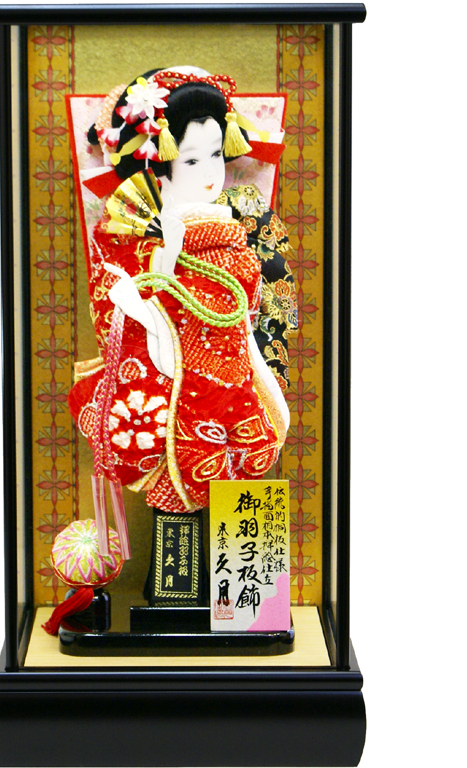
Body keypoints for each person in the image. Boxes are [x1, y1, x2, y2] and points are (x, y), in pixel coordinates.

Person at [68, 68, 297, 532]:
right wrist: (164, 265)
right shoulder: (133, 236)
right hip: (171, 392)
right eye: (192, 160)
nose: (212, 172)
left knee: (245, 480)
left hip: (236, 380)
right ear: (158, 164)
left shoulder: (240, 225)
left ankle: (242, 579)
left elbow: (253, 314)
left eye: (216, 154)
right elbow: (121, 312)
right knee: (176, 508)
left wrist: (268, 379)